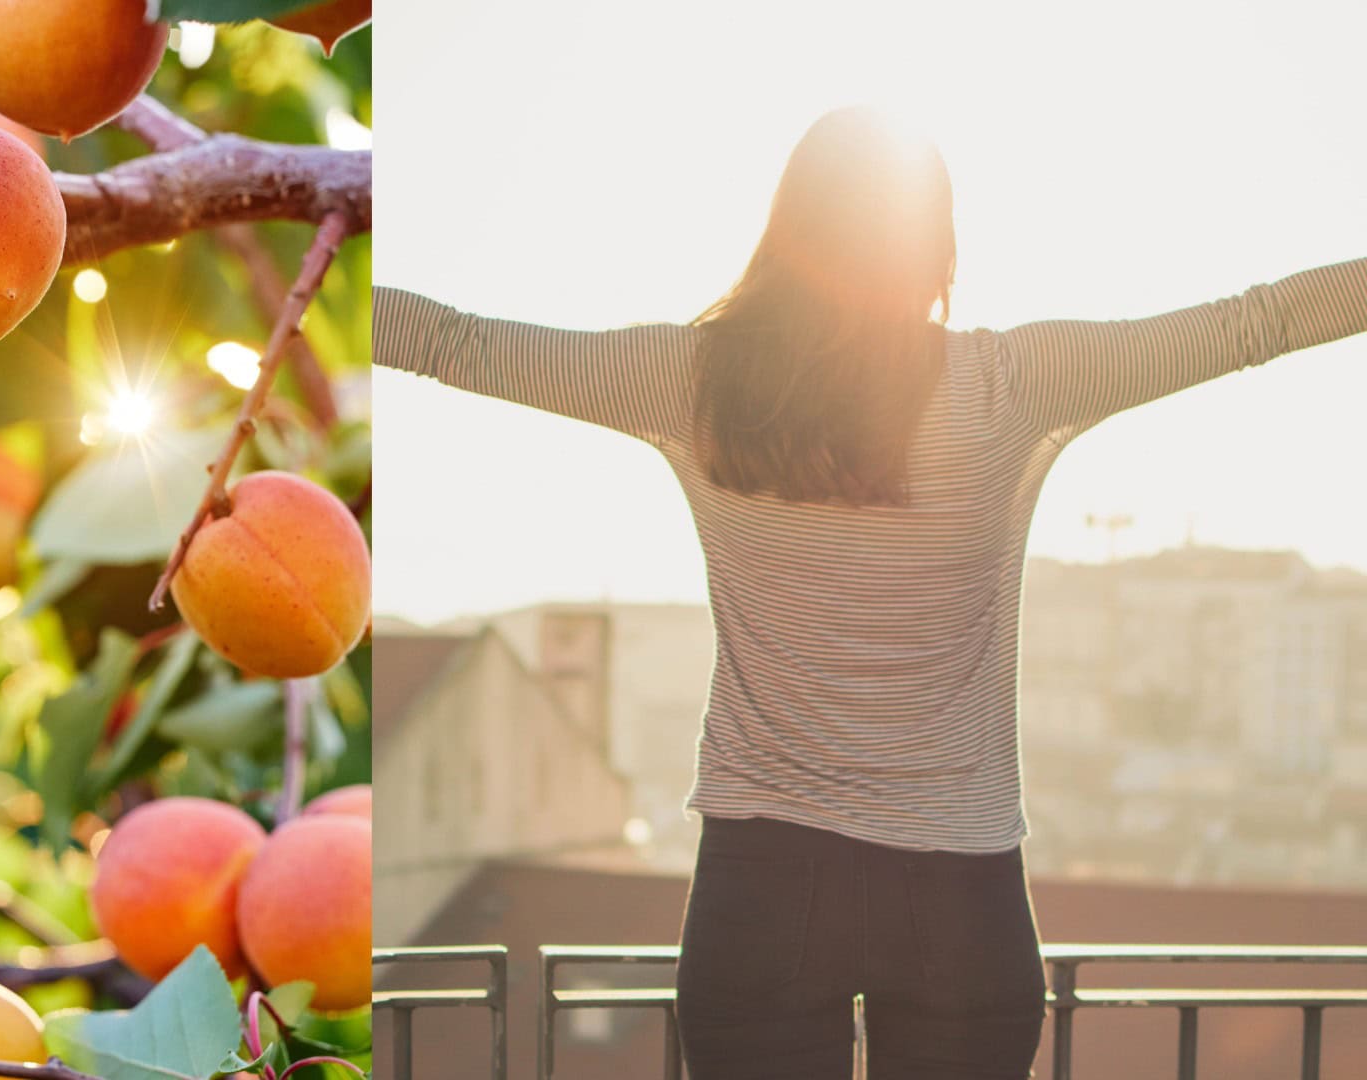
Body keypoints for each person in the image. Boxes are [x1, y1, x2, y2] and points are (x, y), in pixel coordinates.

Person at [370, 105, 1367, 1078]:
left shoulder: (696, 379)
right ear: (934, 241)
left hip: (761, 892)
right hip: (960, 904)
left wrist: (281, 251)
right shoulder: (1009, 382)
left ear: (790, 231)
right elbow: (1258, 323)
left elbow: (455, 344)